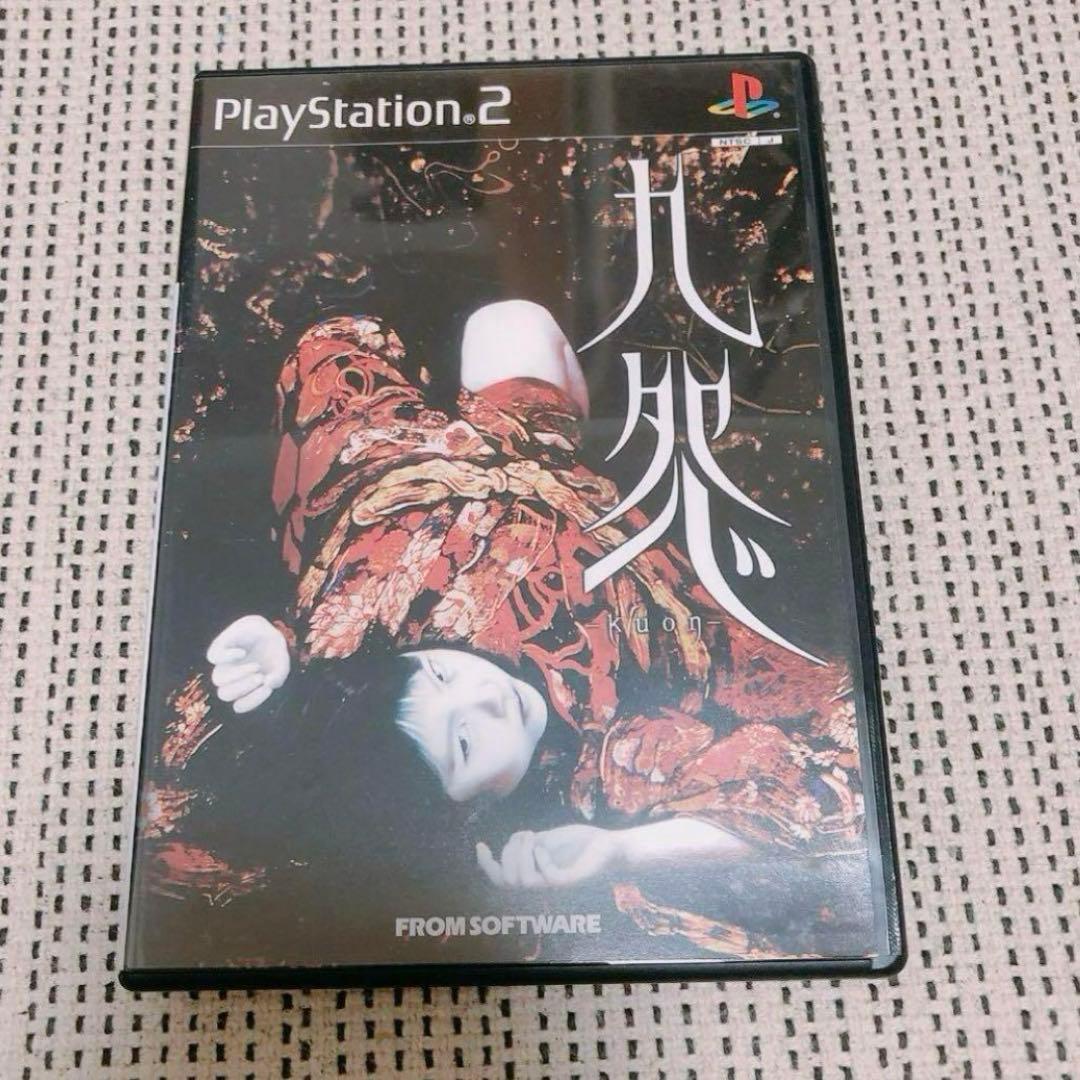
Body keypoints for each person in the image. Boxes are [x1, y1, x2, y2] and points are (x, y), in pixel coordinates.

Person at [143, 300, 871, 960]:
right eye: (465, 742)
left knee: (498, 323)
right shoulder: (604, 756)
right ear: (474, 809)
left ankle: (544, 408)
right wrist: (618, 851)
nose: (484, 696)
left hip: (466, 472)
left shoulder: (371, 625)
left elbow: (221, 736)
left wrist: (276, 645)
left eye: (441, 676)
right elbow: (798, 800)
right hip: (632, 550)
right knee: (528, 331)